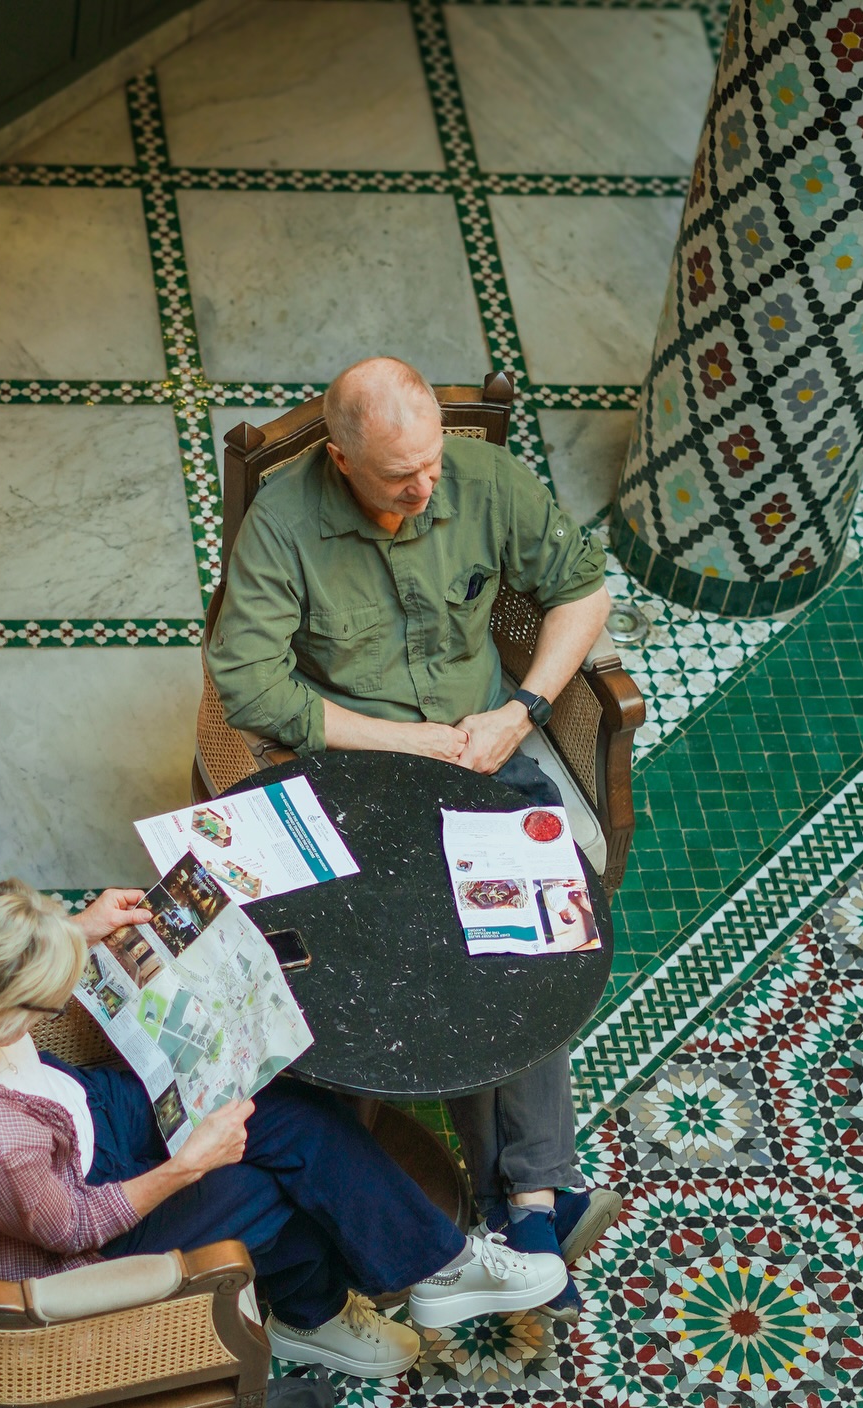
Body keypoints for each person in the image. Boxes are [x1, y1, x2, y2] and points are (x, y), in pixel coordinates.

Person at [207, 356, 623, 1311]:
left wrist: (520, 709)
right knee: (443, 943)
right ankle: (532, 1200)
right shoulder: (283, 528)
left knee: (526, 927)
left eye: (432, 460)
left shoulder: (479, 479)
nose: (426, 486)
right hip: (355, 784)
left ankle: (522, 1192)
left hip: (487, 755)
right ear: (343, 462)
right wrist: (409, 742)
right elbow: (250, 686)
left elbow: (585, 590)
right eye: (402, 475)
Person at [0, 877, 569, 1380]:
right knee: (268, 1187)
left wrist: (74, 929)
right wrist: (187, 1166)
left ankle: (429, 1268)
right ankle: (321, 1312)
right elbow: (71, 1229)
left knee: (282, 1111)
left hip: (79, 1110)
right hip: (85, 1213)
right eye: (45, 1000)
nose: (57, 1003)